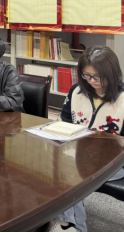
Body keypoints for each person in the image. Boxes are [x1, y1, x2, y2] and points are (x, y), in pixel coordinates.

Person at [50, 46, 124, 233]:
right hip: (77, 154)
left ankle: (70, 226)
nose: (91, 81)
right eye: (87, 76)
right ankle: (65, 223)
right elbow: (65, 122)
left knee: (71, 173)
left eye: (97, 76)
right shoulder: (76, 91)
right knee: (52, 165)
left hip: (113, 162)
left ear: (112, 72)